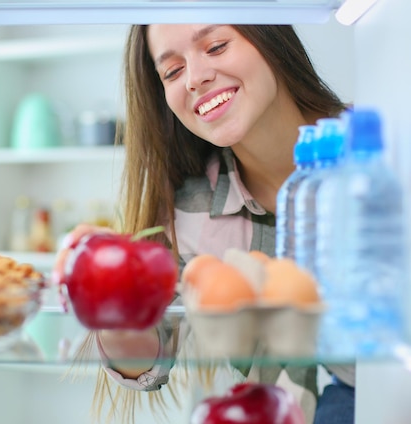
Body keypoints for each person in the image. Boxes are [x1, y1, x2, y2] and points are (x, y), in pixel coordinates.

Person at [52, 24, 354, 424]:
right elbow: (148, 364)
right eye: (173, 72)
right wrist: (113, 291)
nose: (196, 78)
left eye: (215, 46)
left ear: (270, 38)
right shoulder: (190, 209)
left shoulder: (379, 156)